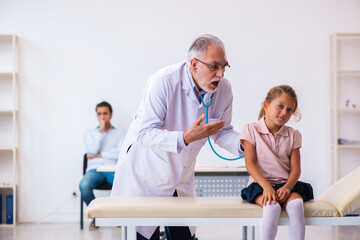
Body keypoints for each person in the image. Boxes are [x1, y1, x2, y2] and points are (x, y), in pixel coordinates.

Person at [111, 34, 244, 240]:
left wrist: (243, 145)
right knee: (145, 236)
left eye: (224, 67)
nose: (221, 74)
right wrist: (184, 138)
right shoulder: (163, 81)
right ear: (194, 64)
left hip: (180, 177)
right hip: (146, 175)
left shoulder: (223, 89)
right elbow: (145, 134)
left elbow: (222, 131)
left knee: (184, 236)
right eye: (214, 66)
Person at [240, 85, 314, 240]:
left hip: (285, 185)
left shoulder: (293, 135)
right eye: (280, 106)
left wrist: (287, 188)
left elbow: (295, 169)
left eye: (289, 110)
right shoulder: (251, 130)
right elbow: (250, 164)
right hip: (260, 185)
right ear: (266, 105)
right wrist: (266, 187)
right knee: (272, 208)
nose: (284, 112)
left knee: (296, 206)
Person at [79, 101, 126, 230]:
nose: (102, 117)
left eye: (105, 113)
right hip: (94, 170)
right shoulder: (90, 134)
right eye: (99, 114)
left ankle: (118, 217)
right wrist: (101, 132)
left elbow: (120, 154)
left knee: (125, 183)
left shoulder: (120, 133)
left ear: (111, 114)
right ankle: (97, 217)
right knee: (84, 185)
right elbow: (92, 151)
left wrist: (100, 155)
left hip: (113, 168)